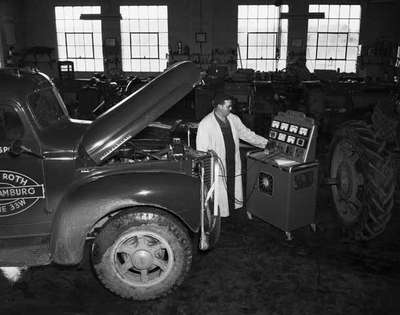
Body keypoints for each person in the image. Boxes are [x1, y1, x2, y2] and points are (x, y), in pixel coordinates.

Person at [196, 92, 271, 217]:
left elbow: (247, 134)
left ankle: (231, 211)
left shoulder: (233, 119)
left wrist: (265, 143)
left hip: (232, 161)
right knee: (220, 193)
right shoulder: (206, 124)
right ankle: (219, 216)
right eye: (228, 106)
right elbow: (201, 150)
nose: (231, 109)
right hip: (218, 164)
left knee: (232, 187)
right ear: (219, 106)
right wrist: (206, 169)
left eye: (231, 106)